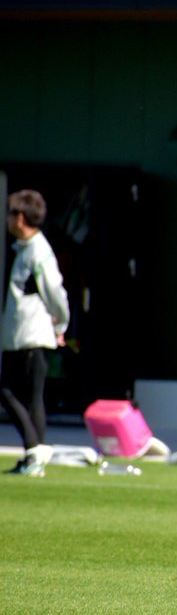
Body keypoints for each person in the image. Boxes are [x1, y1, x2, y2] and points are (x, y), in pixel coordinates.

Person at [2, 189, 70, 478]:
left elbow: (55, 291)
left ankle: (35, 450)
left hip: (32, 335)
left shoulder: (39, 252)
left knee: (13, 393)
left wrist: (60, 325)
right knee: (31, 399)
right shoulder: (25, 249)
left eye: (9, 214)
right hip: (21, 335)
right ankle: (34, 459)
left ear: (19, 217)